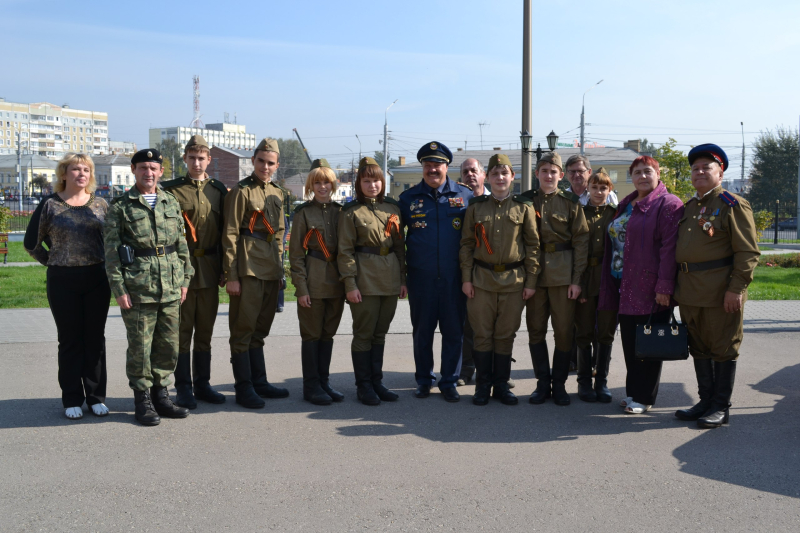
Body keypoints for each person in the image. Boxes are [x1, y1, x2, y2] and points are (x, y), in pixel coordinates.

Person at [104, 148, 194, 426]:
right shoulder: (120, 206)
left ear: (161, 171)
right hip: (138, 286)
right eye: (143, 167)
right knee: (141, 347)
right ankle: (142, 400)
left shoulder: (170, 202)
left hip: (170, 284)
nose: (148, 173)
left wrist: (185, 279)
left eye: (153, 168)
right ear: (133, 170)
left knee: (168, 345)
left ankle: (161, 395)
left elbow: (181, 245)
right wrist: (119, 289)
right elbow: (111, 252)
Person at [674, 144, 759, 428]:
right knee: (699, 348)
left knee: (724, 348)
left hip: (720, 292)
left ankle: (721, 406)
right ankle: (705, 401)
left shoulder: (731, 204)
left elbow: (747, 252)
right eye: (695, 168)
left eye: (706, 168)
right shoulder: (690, 207)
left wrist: (736, 289)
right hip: (690, 293)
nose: (699, 172)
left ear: (720, 172)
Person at [25, 153, 111, 420]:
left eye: (86, 169)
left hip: (97, 278)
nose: (81, 173)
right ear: (64, 174)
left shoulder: (101, 204)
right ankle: (72, 397)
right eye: (75, 169)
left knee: (95, 340)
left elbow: (112, 241)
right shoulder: (50, 205)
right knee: (70, 340)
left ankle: (96, 397)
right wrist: (52, 260)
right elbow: (31, 243)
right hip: (63, 280)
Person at [597, 155, 684, 414]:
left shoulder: (668, 204)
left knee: (648, 344)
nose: (642, 177)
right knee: (630, 343)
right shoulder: (627, 203)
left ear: (658, 174)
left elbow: (670, 249)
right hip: (624, 284)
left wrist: (664, 286)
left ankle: (644, 397)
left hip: (651, 287)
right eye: (637, 172)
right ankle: (634, 391)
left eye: (648, 171)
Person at [459, 153, 540, 405]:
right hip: (481, 279)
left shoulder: (523, 207)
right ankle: (482, 386)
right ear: (488, 177)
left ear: (512, 177)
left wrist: (531, 282)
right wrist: (466, 279)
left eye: (504, 173)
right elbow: (466, 245)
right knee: (482, 334)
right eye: (495, 174)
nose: (500, 178)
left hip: (514, 281)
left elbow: (533, 246)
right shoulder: (475, 207)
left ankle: (501, 385)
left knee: (505, 335)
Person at [398, 142, 472, 402]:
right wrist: (402, 278)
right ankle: (424, 379)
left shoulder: (464, 196)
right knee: (423, 332)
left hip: (454, 279)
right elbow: (397, 242)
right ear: (422, 167)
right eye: (428, 164)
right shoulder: (407, 199)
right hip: (421, 278)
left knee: (454, 332)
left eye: (437, 164)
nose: (432, 169)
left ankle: (449, 380)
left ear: (446, 166)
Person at [160, 135, 228, 409]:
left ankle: (203, 384)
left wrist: (225, 268)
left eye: (202, 158)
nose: (197, 163)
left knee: (206, 330)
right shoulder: (172, 190)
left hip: (211, 268)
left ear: (209, 159)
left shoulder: (219, 190)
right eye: (192, 158)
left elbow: (226, 232)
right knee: (182, 331)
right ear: (185, 159)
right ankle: (184, 387)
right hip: (183, 270)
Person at [222, 138, 290, 409]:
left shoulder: (278, 192)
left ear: (277, 165)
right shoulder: (241, 191)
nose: (265, 166)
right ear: (253, 161)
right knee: (243, 329)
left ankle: (259, 381)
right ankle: (243, 387)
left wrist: (280, 265)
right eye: (260, 161)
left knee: (260, 328)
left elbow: (281, 231)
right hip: (248, 266)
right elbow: (229, 233)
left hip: (270, 267)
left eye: (270, 162)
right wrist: (231, 275)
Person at [521, 152, 589, 406]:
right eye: (544, 171)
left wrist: (576, 280)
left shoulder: (571, 202)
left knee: (563, 332)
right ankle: (542, 384)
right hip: (534, 278)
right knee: (535, 330)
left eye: (553, 172)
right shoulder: (525, 201)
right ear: (536, 174)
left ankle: (559, 384)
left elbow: (581, 242)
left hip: (563, 277)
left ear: (561, 176)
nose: (548, 176)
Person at [338, 157, 407, 406]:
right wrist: (350, 284)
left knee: (380, 333)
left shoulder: (393, 209)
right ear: (359, 184)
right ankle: (363, 385)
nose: (372, 185)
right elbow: (344, 251)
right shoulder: (351, 212)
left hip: (389, 279)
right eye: (366, 181)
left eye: (376, 180)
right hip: (364, 280)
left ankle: (377, 382)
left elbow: (400, 247)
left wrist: (402, 279)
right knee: (364, 333)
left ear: (383, 182)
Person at [289, 158, 346, 405]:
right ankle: (310, 387)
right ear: (311, 185)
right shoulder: (303, 214)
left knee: (328, 335)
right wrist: (301, 288)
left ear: (333, 184)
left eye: (327, 182)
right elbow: (296, 255)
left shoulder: (341, 212)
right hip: (313, 282)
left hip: (336, 283)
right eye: (318, 182)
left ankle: (324, 382)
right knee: (311, 335)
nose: (322, 187)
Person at [573, 168, 618, 403]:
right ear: (587, 188)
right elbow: (575, 251)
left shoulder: (616, 213)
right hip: (586, 278)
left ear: (609, 189)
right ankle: (583, 382)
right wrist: (578, 284)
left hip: (609, 279)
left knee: (606, 333)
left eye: (603, 187)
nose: (599, 191)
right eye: (595, 187)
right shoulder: (579, 213)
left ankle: (601, 381)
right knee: (584, 333)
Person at [456, 158, 486, 387]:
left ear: (483, 173)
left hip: (492, 270)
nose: (470, 175)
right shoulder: (458, 201)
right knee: (467, 323)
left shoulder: (496, 196)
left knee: (493, 323)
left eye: (474, 170)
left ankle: (494, 370)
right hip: (465, 269)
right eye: (465, 172)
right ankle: (466, 369)